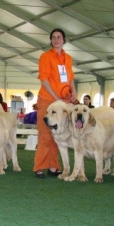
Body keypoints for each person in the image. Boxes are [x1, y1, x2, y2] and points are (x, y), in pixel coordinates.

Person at [34, 28, 77, 178]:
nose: (56, 39)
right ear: (51, 40)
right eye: (53, 37)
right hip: (47, 100)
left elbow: (70, 78)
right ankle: (39, 167)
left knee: (58, 135)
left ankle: (53, 166)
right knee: (45, 133)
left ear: (64, 40)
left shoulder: (68, 58)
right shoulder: (45, 57)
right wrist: (55, 97)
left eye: (59, 37)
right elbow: (44, 79)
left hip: (63, 102)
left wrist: (74, 94)